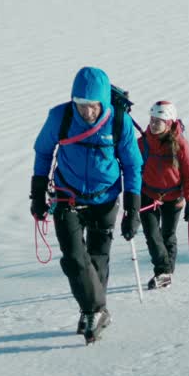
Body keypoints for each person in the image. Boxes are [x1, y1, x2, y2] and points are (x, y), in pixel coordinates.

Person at [31, 66, 143, 343]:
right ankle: (96, 310)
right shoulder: (61, 116)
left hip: (104, 200)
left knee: (97, 259)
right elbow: (43, 151)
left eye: (93, 106)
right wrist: (36, 193)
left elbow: (132, 165)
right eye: (81, 105)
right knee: (73, 258)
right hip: (66, 197)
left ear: (102, 101)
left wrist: (132, 209)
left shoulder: (118, 121)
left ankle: (91, 311)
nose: (87, 112)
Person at [137, 100, 189, 290]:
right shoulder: (142, 143)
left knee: (167, 236)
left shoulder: (180, 145)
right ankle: (163, 271)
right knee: (153, 236)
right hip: (147, 196)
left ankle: (166, 274)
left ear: (169, 123)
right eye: (152, 120)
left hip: (173, 198)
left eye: (158, 121)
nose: (153, 124)